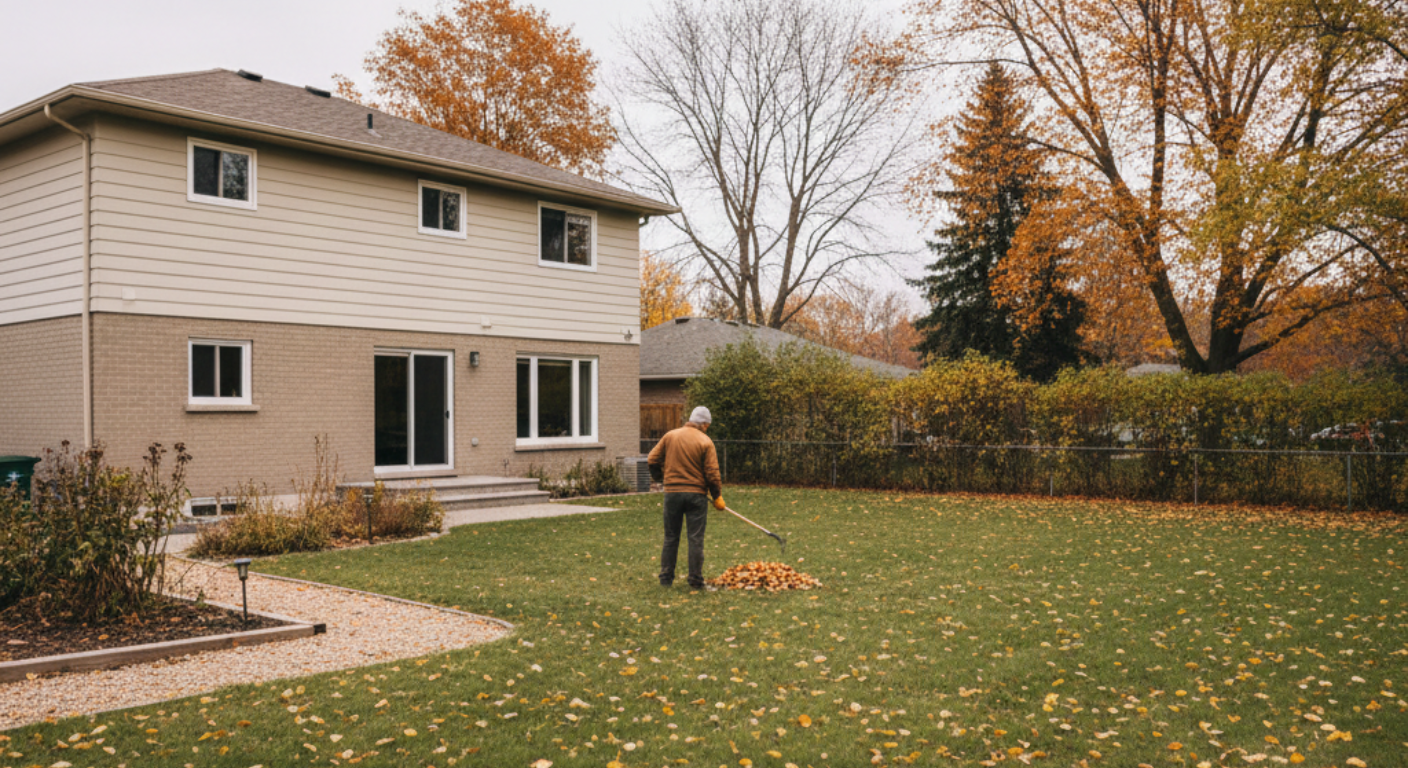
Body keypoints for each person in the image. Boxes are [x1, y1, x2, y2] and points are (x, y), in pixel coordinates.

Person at [647, 406, 725, 589]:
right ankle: (695, 580)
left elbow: (652, 459)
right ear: (704, 424)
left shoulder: (670, 436)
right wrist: (717, 496)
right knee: (695, 538)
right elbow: (712, 473)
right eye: (707, 425)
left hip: (672, 494)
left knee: (671, 537)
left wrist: (661, 478)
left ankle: (666, 579)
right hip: (696, 496)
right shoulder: (705, 441)